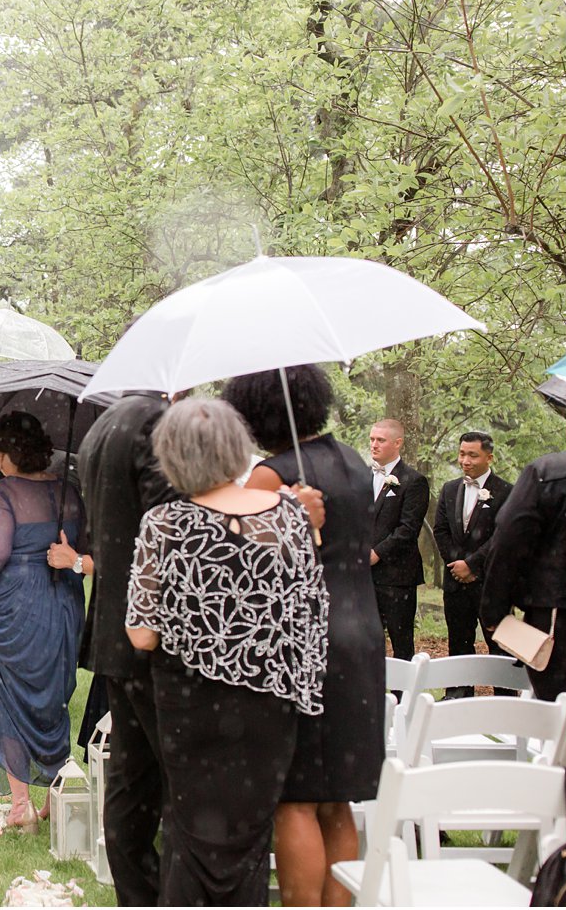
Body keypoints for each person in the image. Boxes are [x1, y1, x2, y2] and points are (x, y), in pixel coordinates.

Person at [126, 398, 328, 907]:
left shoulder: (164, 523)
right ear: (238, 449)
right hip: (269, 704)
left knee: (191, 836)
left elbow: (142, 636)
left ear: (171, 456)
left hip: (191, 706)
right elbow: (306, 610)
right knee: (250, 837)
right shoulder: (290, 517)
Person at [224, 366, 382, 907]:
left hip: (306, 640)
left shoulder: (273, 476)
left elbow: (244, 572)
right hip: (362, 632)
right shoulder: (357, 464)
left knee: (295, 798)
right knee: (337, 800)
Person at [0, 412, 90, 831]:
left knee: (7, 698)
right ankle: (54, 793)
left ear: (6, 454)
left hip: (13, 605)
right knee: (51, 696)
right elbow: (80, 546)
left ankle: (21, 806)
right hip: (64, 599)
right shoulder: (71, 491)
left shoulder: (4, 494)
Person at [75, 388, 179, 906]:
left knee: (131, 775)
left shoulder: (102, 425)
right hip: (154, 627)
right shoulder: (159, 423)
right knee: (176, 774)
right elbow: (168, 529)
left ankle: (140, 894)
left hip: (117, 621)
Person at [479, 446, 566, 701]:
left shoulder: (548, 472)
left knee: (558, 712)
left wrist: (494, 610)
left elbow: (509, 540)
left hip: (559, 615)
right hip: (557, 605)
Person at [431, 431, 515, 695]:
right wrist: (457, 565)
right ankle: (457, 694)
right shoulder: (450, 489)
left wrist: (473, 566)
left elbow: (502, 536)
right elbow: (440, 530)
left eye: (472, 455)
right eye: (462, 454)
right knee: (458, 641)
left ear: (489, 457)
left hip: (490, 583)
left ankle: (506, 697)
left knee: (499, 643)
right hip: (456, 583)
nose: (465, 460)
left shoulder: (506, 491)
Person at [367, 419, 429, 658]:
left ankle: (403, 694)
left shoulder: (414, 481)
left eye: (380, 440)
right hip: (364, 576)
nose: (374, 445)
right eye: (372, 439)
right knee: (367, 639)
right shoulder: (361, 476)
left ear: (398, 443)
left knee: (401, 639)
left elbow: (408, 528)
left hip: (397, 576)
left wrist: (377, 553)